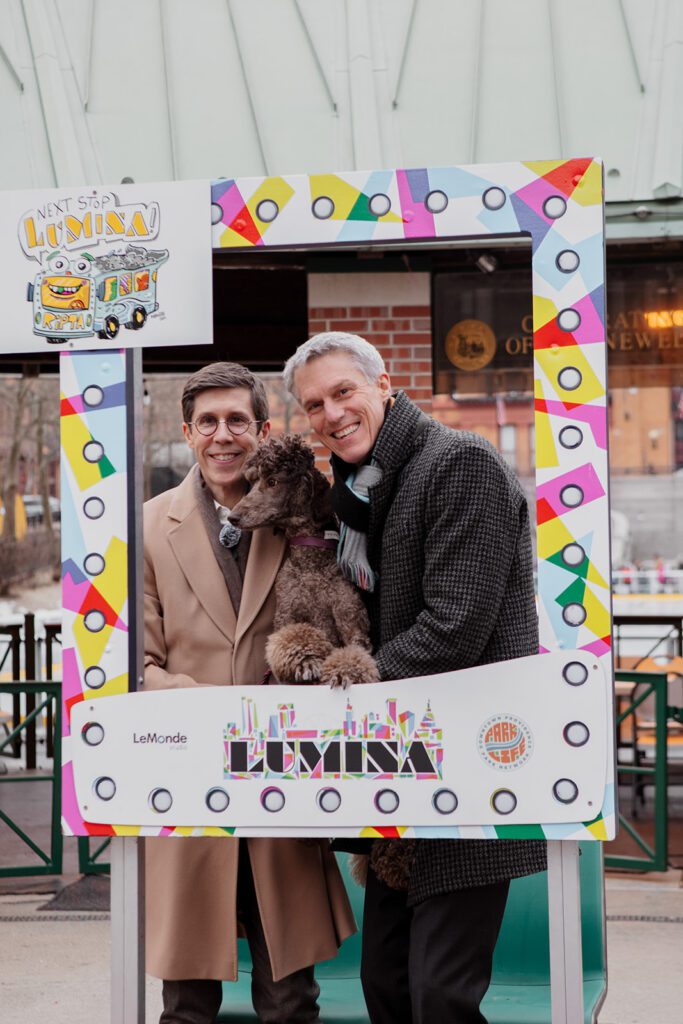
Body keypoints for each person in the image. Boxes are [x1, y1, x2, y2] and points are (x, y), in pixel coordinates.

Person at [283, 333, 547, 1024]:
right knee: (389, 989)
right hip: (403, 775)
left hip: (469, 768)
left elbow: (454, 625)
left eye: (343, 392)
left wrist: (338, 697)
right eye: (313, 404)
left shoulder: (457, 463)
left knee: (439, 997)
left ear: (384, 385)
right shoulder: (361, 489)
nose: (330, 413)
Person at [143, 362, 355, 1024]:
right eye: (208, 421)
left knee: (289, 997)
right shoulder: (147, 525)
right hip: (186, 781)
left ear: (263, 429)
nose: (222, 434)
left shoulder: (303, 511)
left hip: (281, 778)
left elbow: (331, 619)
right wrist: (216, 715)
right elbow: (136, 665)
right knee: (185, 1002)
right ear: (188, 433)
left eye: (238, 419)